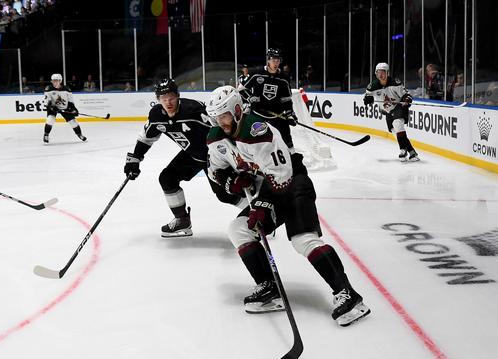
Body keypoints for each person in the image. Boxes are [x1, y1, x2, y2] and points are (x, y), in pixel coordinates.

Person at [205, 85, 371, 326]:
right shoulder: (216, 138)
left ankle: (348, 295)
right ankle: (269, 287)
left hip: (293, 183)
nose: (221, 121)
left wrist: (262, 206)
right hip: (269, 188)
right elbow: (215, 170)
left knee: (303, 241)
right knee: (238, 229)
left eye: (225, 115)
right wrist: (233, 181)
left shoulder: (257, 131)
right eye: (216, 117)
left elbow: (281, 175)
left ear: (237, 110)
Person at [123, 78, 242, 237]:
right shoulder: (157, 115)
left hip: (213, 156)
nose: (168, 102)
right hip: (192, 155)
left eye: (171, 98)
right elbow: (146, 137)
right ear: (158, 100)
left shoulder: (194, 110)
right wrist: (135, 158)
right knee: (167, 178)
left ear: (178, 96)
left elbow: (222, 127)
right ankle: (182, 221)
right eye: (163, 99)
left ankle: (258, 212)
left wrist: (237, 151)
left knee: (225, 194)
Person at [238, 48, 297, 153]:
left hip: (276, 115)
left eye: (278, 60)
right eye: (274, 60)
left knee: (287, 141)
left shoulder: (283, 78)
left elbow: (286, 99)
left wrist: (290, 113)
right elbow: (241, 90)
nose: (276, 63)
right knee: (253, 141)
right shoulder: (256, 73)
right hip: (257, 114)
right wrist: (250, 97)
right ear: (268, 60)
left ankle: (293, 161)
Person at [364, 63, 419, 162]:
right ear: (376, 74)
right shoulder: (372, 86)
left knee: (397, 124)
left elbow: (406, 94)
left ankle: (403, 150)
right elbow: (367, 97)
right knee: (395, 131)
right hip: (387, 111)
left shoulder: (395, 82)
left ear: (387, 73)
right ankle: (411, 152)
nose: (381, 75)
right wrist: (368, 99)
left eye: (383, 72)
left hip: (399, 107)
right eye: (378, 72)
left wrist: (407, 99)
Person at [42, 73, 86, 143]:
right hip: (53, 108)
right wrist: (52, 107)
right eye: (53, 80)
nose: (54, 82)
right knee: (50, 120)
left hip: (65, 108)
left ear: (60, 81)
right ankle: (46, 135)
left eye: (56, 80)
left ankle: (79, 134)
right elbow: (46, 102)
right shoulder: (48, 89)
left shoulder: (67, 89)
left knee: (73, 122)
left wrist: (74, 109)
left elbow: (71, 101)